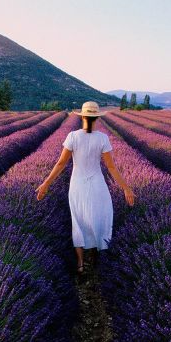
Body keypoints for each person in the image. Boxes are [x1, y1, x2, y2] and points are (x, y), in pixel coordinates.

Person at [35, 101, 135, 275]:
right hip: (97, 184)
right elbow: (111, 167)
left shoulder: (73, 137)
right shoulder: (102, 138)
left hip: (78, 185)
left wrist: (46, 183)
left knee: (78, 221)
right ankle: (95, 259)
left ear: (81, 116)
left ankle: (80, 264)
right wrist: (125, 188)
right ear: (96, 117)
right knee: (97, 219)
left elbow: (60, 164)